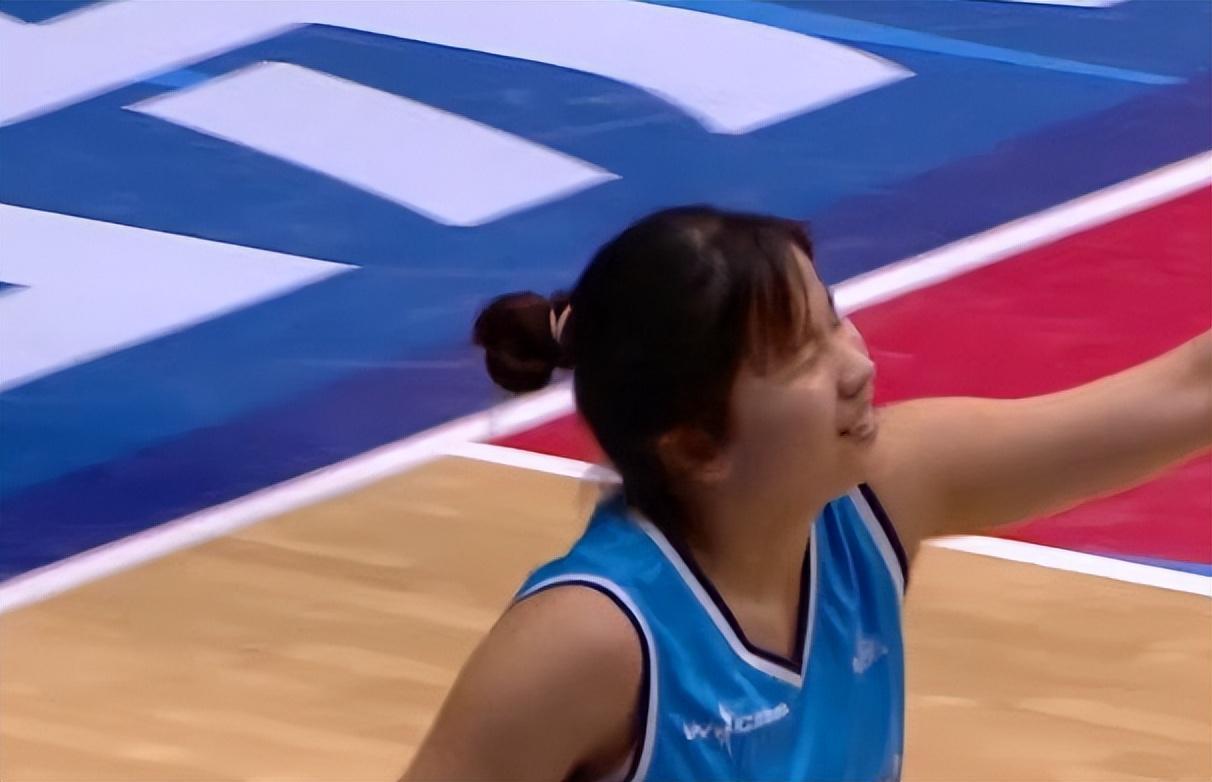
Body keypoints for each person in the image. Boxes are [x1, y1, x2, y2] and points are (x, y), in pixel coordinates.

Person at [403, 206, 1212, 782]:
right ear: (697, 446)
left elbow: (1188, 393)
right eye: (801, 357)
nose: (856, 366)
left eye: (832, 319)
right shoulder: (590, 640)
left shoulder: (881, 497)